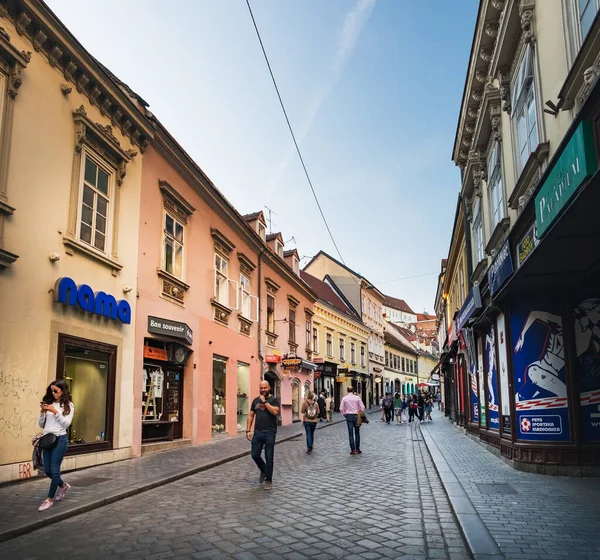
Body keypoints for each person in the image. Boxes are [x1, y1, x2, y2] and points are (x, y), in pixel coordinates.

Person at [37, 379, 74, 512]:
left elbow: (66, 424)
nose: (53, 393)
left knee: (54, 470)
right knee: (47, 470)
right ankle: (63, 485)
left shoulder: (68, 405)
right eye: (51, 390)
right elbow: (42, 425)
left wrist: (55, 412)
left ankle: (49, 499)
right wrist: (42, 413)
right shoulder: (50, 403)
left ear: (62, 391)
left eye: (56, 391)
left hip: (60, 440)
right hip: (47, 439)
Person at [247, 380, 280, 491]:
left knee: (269, 456)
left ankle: (268, 480)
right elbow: (251, 415)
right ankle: (264, 470)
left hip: (270, 432)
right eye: (261, 388)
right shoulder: (255, 400)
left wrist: (265, 402)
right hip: (258, 432)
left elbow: (275, 412)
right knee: (254, 454)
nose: (263, 390)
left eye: (265, 388)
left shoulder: (274, 400)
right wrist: (248, 430)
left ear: (269, 388)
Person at [339, 386, 365, 455]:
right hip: (357, 416)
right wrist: (359, 411)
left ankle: (352, 450)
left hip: (349, 416)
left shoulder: (344, 398)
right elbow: (362, 407)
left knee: (350, 433)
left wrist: (344, 414)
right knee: (357, 432)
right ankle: (357, 448)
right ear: (353, 390)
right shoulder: (357, 398)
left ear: (347, 391)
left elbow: (341, 408)